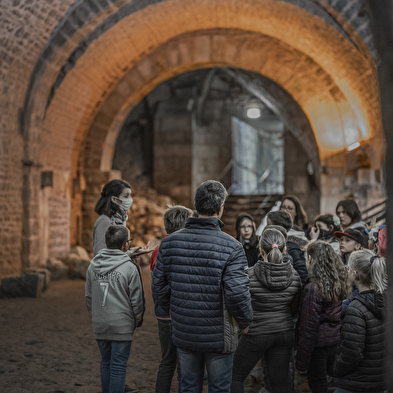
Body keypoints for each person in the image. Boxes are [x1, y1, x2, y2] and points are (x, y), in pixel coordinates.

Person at [152, 180, 253, 393]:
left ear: (196, 205)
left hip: (184, 330)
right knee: (218, 388)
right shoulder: (232, 247)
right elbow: (237, 293)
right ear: (220, 208)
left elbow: (158, 287)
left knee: (188, 386)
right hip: (219, 334)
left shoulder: (169, 244)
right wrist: (244, 321)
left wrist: (177, 310)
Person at [231, 228, 302, 393]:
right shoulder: (295, 277)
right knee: (280, 384)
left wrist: (243, 323)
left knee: (234, 377)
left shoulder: (247, 275)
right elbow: (294, 308)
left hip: (256, 332)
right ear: (284, 250)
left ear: (260, 250)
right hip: (284, 332)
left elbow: (240, 303)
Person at [85, 225, 145, 393]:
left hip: (100, 323)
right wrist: (137, 320)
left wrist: (97, 314)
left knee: (105, 362)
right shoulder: (130, 268)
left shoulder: (93, 266)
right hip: (122, 324)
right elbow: (137, 300)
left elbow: (88, 296)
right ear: (125, 245)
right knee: (118, 367)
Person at [296, 242, 349, 393]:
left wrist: (302, 362)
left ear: (311, 259)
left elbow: (308, 328)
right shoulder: (336, 282)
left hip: (318, 345)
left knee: (317, 383)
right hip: (333, 340)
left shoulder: (313, 288)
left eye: (307, 258)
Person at [150, 205, 193, 393]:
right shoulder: (189, 249)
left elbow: (156, 285)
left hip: (163, 315)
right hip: (184, 313)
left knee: (167, 362)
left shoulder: (156, 252)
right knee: (186, 365)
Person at [333, 250, 387, 393]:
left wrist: (336, 368)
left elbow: (352, 353)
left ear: (355, 274)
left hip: (358, 382)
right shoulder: (385, 301)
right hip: (381, 380)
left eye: (348, 269)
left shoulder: (356, 309)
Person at [93, 179, 157, 257]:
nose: (130, 200)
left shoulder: (121, 220)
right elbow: (100, 254)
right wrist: (130, 253)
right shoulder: (104, 221)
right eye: (126, 196)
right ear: (114, 199)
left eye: (130, 196)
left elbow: (119, 251)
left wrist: (135, 251)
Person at [267, 210, 308, 283]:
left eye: (268, 224)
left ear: (278, 228)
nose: (266, 227)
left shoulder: (292, 246)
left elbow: (302, 273)